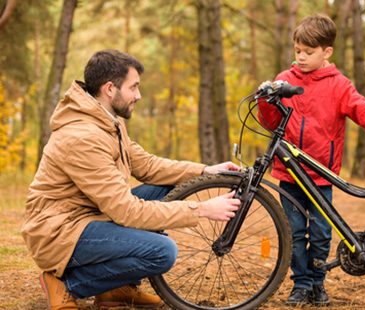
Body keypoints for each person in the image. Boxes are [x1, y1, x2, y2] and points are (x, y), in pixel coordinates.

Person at [22, 49, 241, 310]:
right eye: (134, 87)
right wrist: (202, 209)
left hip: (90, 215)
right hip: (59, 231)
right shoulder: (82, 136)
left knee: (168, 187)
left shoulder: (107, 121)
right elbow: (127, 211)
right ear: (110, 89)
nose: (138, 95)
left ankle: (115, 289)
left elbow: (147, 165)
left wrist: (205, 170)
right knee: (162, 252)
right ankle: (67, 284)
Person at [258, 14, 365, 306]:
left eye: (308, 52)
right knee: (292, 232)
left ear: (327, 52)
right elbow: (270, 122)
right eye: (297, 50)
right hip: (290, 175)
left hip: (320, 176)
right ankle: (301, 284)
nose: (300, 57)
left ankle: (317, 283)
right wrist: (266, 100)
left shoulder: (338, 85)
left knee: (320, 233)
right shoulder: (284, 80)